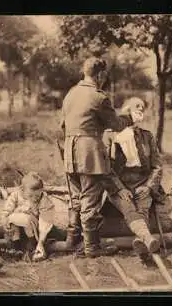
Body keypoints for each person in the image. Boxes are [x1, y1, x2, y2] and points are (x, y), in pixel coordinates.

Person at [60, 57, 143, 258]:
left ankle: (74, 240)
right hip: (89, 154)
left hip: (70, 152)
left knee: (77, 198)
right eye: (104, 75)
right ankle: (91, 248)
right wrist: (132, 117)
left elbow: (63, 126)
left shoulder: (71, 94)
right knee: (89, 199)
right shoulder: (98, 97)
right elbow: (115, 124)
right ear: (100, 75)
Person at [103, 97, 164, 264]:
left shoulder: (147, 136)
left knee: (143, 207)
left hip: (142, 182)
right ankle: (147, 238)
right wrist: (120, 188)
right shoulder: (110, 136)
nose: (140, 110)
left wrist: (149, 187)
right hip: (119, 184)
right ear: (126, 110)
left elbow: (157, 166)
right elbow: (106, 169)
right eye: (136, 106)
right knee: (128, 206)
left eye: (143, 108)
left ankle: (141, 242)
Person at [1, 172, 54, 262]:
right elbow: (7, 210)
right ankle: (15, 248)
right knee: (12, 219)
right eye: (30, 195)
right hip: (16, 226)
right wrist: (4, 221)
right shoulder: (16, 195)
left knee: (27, 219)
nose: (34, 198)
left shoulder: (44, 200)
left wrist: (40, 242)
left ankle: (31, 246)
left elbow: (45, 222)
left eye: (37, 196)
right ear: (22, 190)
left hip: (34, 228)